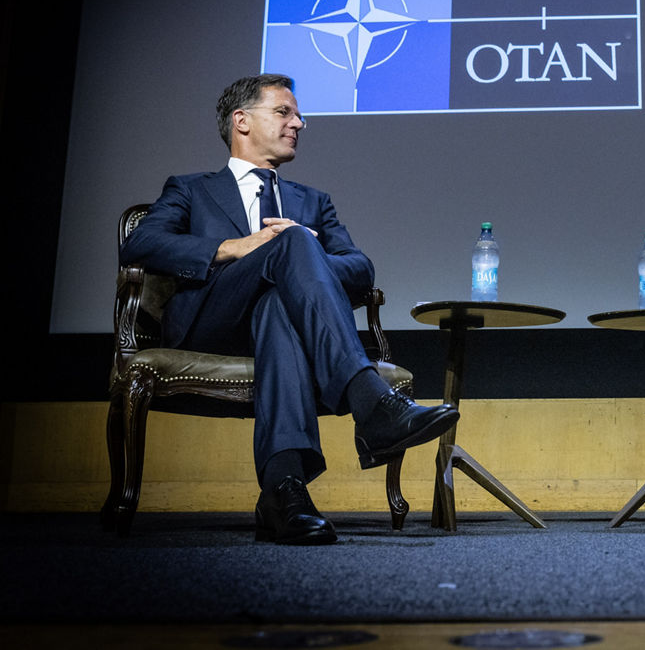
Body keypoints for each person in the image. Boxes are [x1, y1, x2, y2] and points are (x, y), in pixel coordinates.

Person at [121, 73, 459, 545]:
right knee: (293, 243)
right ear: (241, 121)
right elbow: (142, 242)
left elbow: (360, 268)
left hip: (285, 327)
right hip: (211, 321)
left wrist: (305, 258)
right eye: (284, 112)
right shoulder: (191, 189)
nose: (298, 123)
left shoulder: (313, 201)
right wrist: (237, 247)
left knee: (281, 304)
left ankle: (285, 493)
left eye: (298, 115)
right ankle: (370, 403)